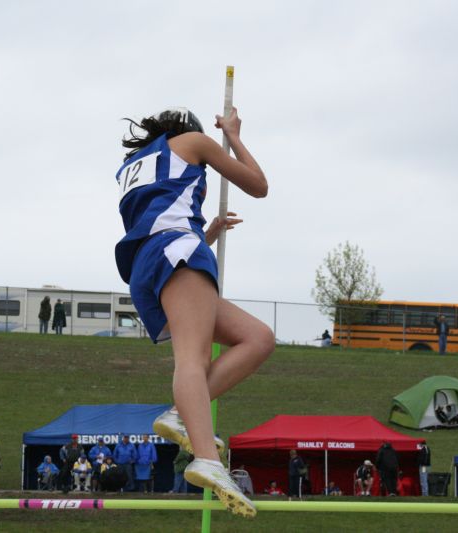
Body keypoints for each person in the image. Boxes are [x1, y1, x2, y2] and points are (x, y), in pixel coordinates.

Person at [116, 107, 271, 518]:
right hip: (178, 252)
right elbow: (258, 185)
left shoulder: (133, 166)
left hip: (154, 263)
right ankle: (207, 459)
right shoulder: (192, 143)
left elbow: (157, 218)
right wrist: (233, 136)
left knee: (257, 338)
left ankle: (184, 414)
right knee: (193, 359)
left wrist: (209, 231)